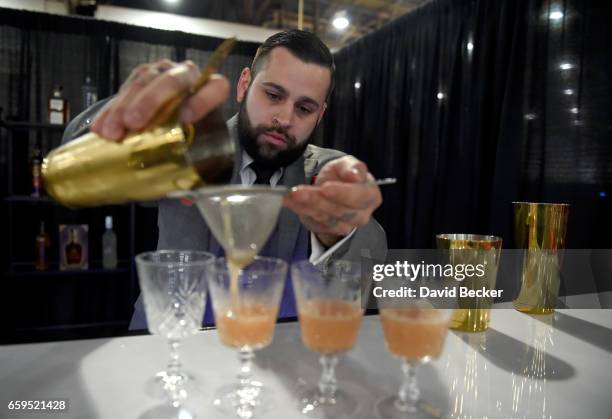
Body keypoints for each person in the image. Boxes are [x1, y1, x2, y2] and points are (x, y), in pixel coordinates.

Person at [62, 29, 387, 329]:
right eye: (273, 95)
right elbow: (73, 165)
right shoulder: (184, 146)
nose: (284, 119)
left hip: (276, 354)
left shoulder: (327, 173)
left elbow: (370, 257)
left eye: (304, 108)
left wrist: (335, 232)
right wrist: (125, 121)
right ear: (245, 84)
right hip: (170, 341)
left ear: (320, 115)